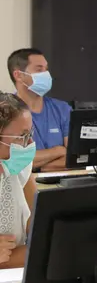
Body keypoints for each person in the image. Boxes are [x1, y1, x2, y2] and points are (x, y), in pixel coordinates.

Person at [7, 48, 70, 172]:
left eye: (46, 69)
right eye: (39, 69)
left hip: (63, 186)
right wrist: (58, 150)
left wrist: (39, 166)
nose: (46, 75)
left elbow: (75, 157)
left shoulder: (62, 109)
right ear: (18, 75)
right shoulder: (6, 112)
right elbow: (16, 160)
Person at [0, 93, 39, 268]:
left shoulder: (19, 168)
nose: (30, 143)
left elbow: (40, 234)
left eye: (29, 134)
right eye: (22, 136)